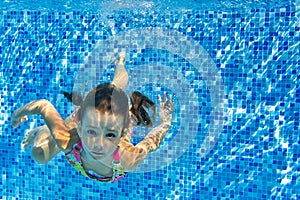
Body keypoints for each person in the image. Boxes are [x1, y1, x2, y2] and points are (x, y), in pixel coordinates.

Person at [11, 52, 174, 182]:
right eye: (91, 133)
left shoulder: (127, 159)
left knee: (116, 89)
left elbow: (150, 143)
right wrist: (16, 116)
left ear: (123, 133)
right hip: (83, 122)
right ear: (80, 128)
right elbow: (43, 105)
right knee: (39, 154)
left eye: (110, 135)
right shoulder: (69, 140)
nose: (99, 144)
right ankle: (45, 130)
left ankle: (120, 62)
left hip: (102, 122)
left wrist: (165, 123)